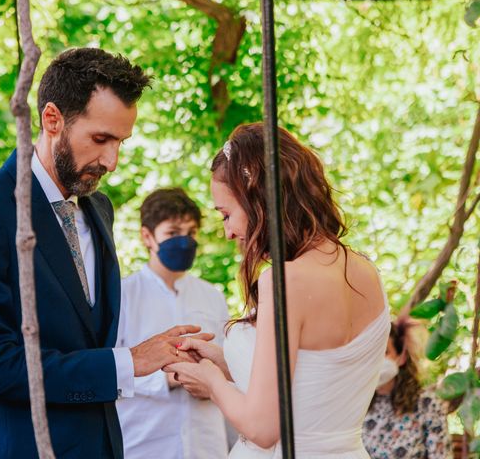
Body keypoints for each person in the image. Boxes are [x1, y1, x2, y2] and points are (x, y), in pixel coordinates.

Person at [0, 47, 212, 458]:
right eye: (100, 139)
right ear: (52, 120)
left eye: (120, 142)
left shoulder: (99, 209)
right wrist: (127, 363)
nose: (112, 161)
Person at [165, 123, 390, 457]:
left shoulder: (284, 281)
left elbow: (263, 429)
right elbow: (312, 380)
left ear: (258, 200)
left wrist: (211, 381)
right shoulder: (365, 271)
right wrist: (223, 359)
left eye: (227, 214)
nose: (227, 232)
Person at [116, 188, 230, 459]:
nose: (184, 241)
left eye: (191, 233)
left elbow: (231, 364)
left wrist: (214, 380)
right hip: (144, 445)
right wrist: (169, 378)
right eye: (173, 232)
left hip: (207, 446)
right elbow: (112, 371)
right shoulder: (121, 296)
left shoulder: (212, 296)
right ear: (147, 236)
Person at [363, 319, 452, 458]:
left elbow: (441, 455)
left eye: (384, 352)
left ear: (402, 356)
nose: (375, 360)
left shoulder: (427, 403)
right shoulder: (359, 405)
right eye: (370, 354)